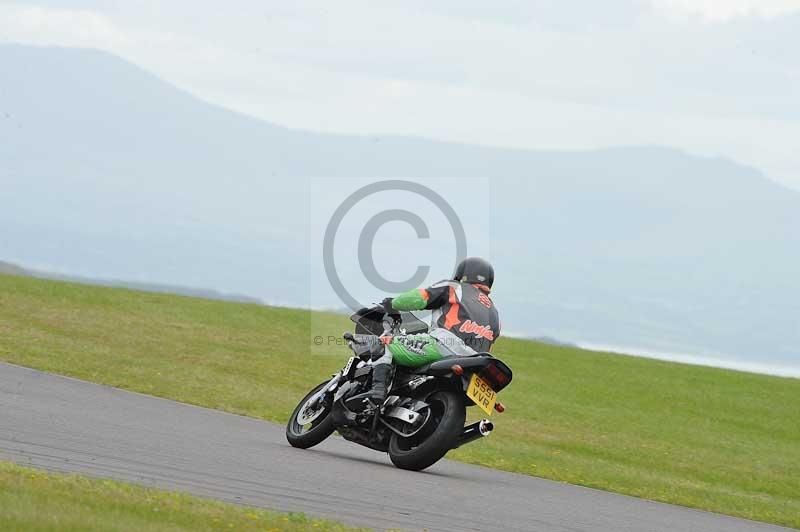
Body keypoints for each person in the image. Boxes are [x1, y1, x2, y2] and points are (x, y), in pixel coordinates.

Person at [352, 256, 500, 406]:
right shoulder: (495, 313)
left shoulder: (455, 287)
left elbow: (421, 298)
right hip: (473, 362)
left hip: (443, 345)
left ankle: (377, 392)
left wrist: (391, 304)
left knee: (383, 343)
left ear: (462, 274)